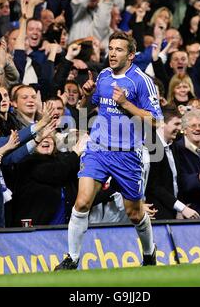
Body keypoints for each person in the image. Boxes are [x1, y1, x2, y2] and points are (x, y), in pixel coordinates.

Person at [55, 31, 162, 270]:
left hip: (127, 154)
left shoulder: (142, 82)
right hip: (98, 149)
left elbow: (156, 120)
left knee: (134, 213)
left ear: (131, 55)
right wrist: (86, 96)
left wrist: (126, 104)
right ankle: (72, 258)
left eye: (119, 50)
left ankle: (149, 253)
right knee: (82, 202)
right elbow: (84, 108)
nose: (112, 53)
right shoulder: (102, 75)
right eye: (111, 48)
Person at [145, 105, 199, 219]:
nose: (180, 128)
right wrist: (182, 208)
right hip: (155, 213)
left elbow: (175, 181)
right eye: (176, 124)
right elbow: (154, 187)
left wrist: (179, 208)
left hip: (172, 212)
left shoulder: (173, 145)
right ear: (162, 123)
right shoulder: (151, 146)